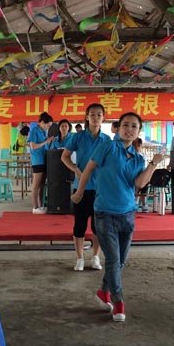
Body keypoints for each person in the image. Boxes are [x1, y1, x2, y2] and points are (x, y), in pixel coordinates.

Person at [71, 112, 165, 322]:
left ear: (138, 131)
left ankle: (103, 291)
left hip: (128, 214)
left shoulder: (138, 158)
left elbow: (139, 184)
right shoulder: (108, 147)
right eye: (125, 125)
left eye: (134, 126)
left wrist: (153, 164)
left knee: (120, 261)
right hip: (105, 213)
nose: (129, 129)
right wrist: (80, 192)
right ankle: (118, 301)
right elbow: (89, 168)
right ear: (118, 127)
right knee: (113, 260)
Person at [62, 104, 110, 271]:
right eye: (92, 114)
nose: (96, 117)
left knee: (98, 226)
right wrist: (75, 169)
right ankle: (80, 258)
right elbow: (64, 156)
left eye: (99, 114)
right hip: (81, 188)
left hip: (100, 189)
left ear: (103, 118)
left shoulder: (107, 140)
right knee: (79, 225)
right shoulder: (78, 137)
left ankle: (95, 257)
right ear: (87, 117)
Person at [27, 113, 55, 214]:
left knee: (42, 184)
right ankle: (35, 207)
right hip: (37, 160)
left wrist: (50, 141)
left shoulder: (43, 131)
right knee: (36, 185)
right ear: (42, 122)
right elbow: (33, 146)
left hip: (45, 159)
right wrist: (46, 142)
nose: (48, 127)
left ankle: (40, 205)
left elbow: (45, 145)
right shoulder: (34, 131)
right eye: (47, 125)